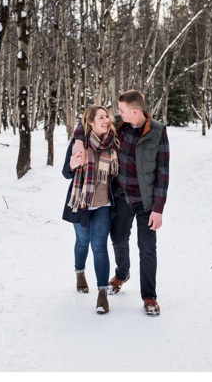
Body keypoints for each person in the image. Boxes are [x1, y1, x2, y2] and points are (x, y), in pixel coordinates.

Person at [72, 89, 169, 316]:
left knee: (147, 249)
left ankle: (149, 297)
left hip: (145, 201)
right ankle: (122, 273)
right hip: (121, 197)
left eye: (122, 110)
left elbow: (163, 173)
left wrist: (158, 209)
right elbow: (85, 120)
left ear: (135, 111)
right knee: (118, 239)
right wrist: (78, 141)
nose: (117, 113)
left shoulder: (158, 132)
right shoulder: (119, 124)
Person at [62, 105, 119, 315]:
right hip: (81, 204)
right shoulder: (79, 144)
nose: (106, 120)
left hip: (103, 204)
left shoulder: (113, 141)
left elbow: (127, 114)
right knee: (82, 241)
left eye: (107, 116)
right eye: (101, 117)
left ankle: (102, 292)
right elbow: (65, 173)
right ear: (91, 123)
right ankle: (79, 272)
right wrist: (72, 165)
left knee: (99, 246)